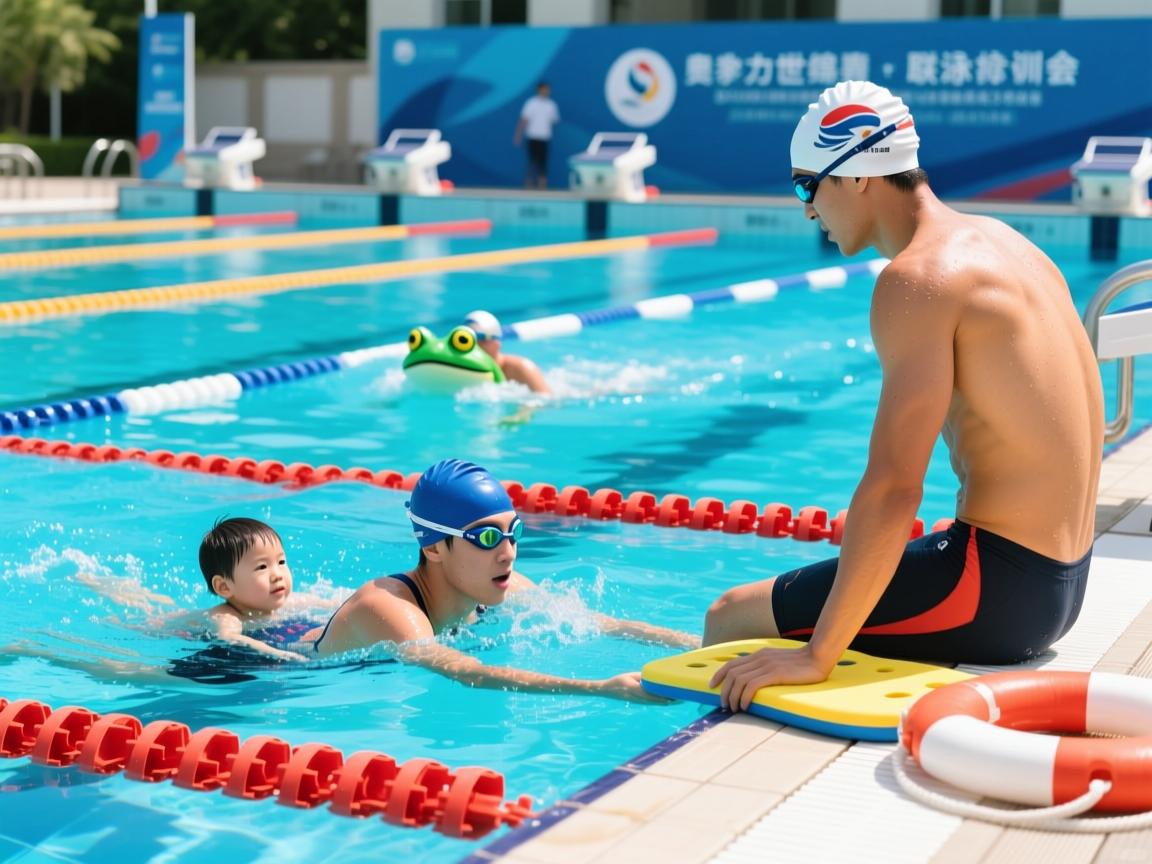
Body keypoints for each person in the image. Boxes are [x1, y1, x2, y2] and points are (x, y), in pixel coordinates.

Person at [703, 80, 1104, 712]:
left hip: (999, 592)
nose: (807, 209)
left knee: (728, 619)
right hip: (1065, 583)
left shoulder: (916, 278)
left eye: (809, 184)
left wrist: (817, 655)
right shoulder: (1007, 243)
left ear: (858, 176)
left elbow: (894, 486)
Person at [310, 458, 698, 701]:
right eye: (488, 538)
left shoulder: (493, 582)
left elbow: (599, 625)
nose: (508, 552)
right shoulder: (391, 608)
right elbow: (467, 671)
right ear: (433, 549)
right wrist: (600, 688)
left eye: (512, 532)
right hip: (276, 668)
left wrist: (696, 645)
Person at [463, 309, 551, 394]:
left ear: (497, 342)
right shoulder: (466, 370)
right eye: (468, 340)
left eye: (481, 339)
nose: (475, 345)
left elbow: (546, 400)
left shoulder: (521, 368)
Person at [513, 81, 560, 189]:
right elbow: (524, 120)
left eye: (548, 89)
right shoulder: (531, 103)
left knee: (543, 162)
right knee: (531, 162)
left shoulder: (551, 105)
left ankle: (542, 187)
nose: (547, 91)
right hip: (532, 137)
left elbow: (555, 121)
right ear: (539, 90)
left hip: (545, 138)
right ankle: (528, 186)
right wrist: (518, 135)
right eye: (544, 89)